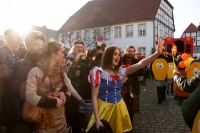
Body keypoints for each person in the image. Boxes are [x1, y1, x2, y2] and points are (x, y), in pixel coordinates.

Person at [85, 41, 163, 133]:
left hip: (119, 107)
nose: (118, 56)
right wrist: (97, 119)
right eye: (115, 54)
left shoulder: (120, 71)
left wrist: (157, 53)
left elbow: (140, 64)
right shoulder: (98, 73)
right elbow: (94, 97)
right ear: (108, 56)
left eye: (119, 54)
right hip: (104, 109)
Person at [25, 40, 71, 132]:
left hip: (62, 123)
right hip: (44, 124)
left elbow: (69, 89)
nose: (63, 55)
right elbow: (30, 97)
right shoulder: (35, 71)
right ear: (53, 54)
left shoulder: (60, 70)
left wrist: (63, 93)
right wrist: (53, 103)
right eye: (61, 52)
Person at [65, 40, 92, 132]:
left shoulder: (85, 59)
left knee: (82, 116)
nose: (80, 49)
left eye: (81, 47)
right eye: (77, 47)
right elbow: (68, 75)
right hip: (73, 93)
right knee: (74, 116)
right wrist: (76, 60)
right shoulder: (68, 59)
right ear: (73, 48)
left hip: (83, 92)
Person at [0, 28, 21, 129]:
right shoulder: (1, 53)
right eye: (17, 37)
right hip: (7, 98)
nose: (19, 40)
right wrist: (19, 71)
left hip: (15, 96)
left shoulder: (16, 54)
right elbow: (3, 74)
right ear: (8, 38)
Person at [121, 45, 143, 123]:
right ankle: (123, 121)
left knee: (132, 107)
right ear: (126, 51)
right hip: (122, 86)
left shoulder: (137, 61)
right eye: (129, 51)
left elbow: (141, 72)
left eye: (132, 51)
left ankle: (130, 122)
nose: (130, 53)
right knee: (123, 105)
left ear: (134, 52)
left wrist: (129, 71)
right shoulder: (121, 60)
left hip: (133, 86)